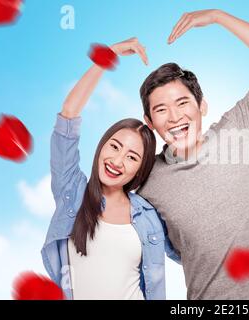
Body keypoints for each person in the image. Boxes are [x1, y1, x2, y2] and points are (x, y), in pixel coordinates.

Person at [138, 9, 249, 299]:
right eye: (161, 110)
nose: (174, 117)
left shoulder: (241, 128)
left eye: (183, 103)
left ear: (202, 107)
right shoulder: (148, 182)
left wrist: (218, 17)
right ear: (150, 123)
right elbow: (172, 246)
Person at [41, 38, 180, 300]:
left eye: (131, 157)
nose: (117, 161)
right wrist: (109, 55)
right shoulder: (72, 191)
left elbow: (190, 252)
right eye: (115, 147)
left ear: (140, 170)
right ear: (102, 145)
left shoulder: (148, 215)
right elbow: (68, 115)